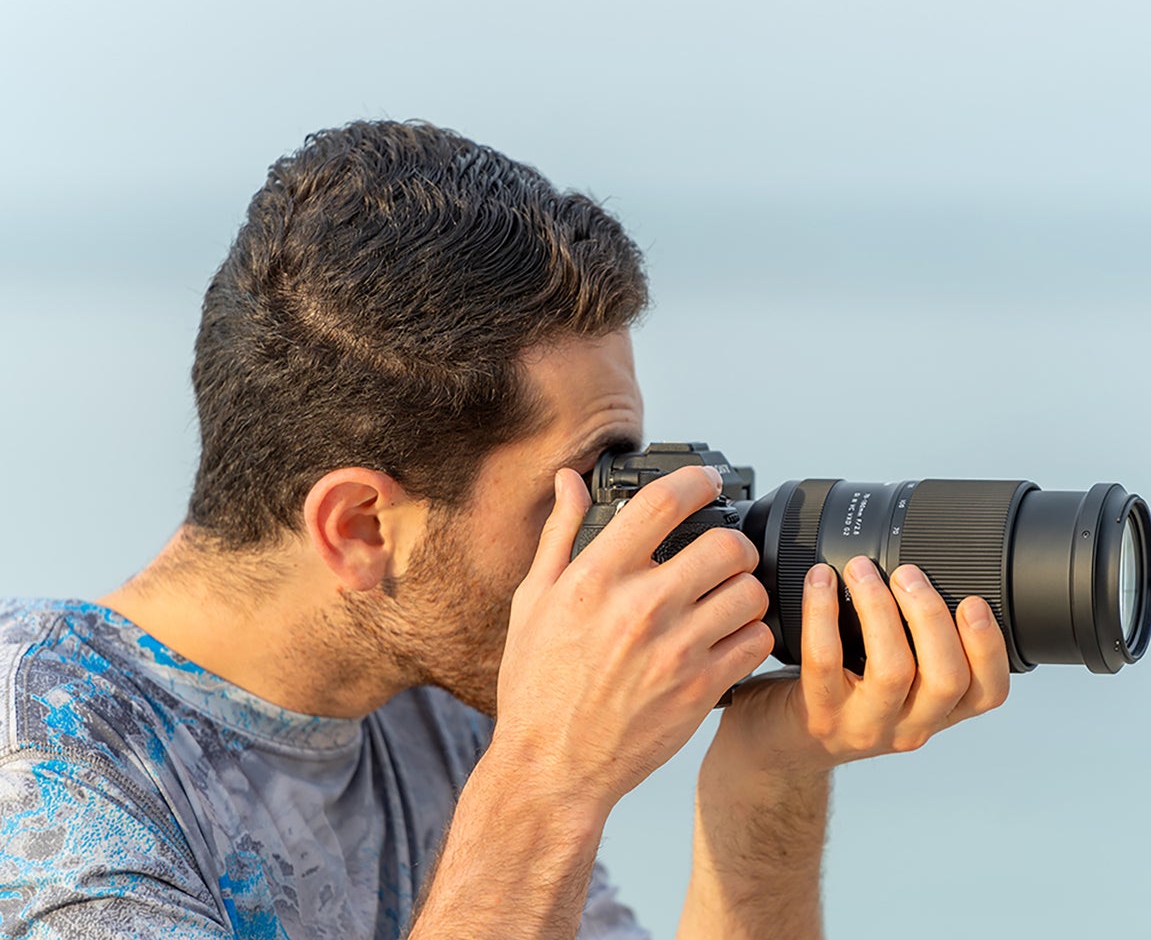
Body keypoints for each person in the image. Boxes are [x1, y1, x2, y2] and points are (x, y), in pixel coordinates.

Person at [0, 120, 1010, 939]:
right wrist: (548, 781)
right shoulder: (40, 782)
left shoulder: (437, 706)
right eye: (580, 492)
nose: (622, 546)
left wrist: (768, 781)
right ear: (359, 526)